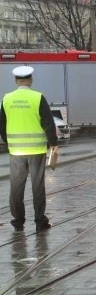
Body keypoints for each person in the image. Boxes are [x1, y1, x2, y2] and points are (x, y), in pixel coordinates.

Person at [0, 65, 58, 231]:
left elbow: (1, 124)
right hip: (37, 150)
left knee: (16, 187)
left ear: (16, 81)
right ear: (30, 80)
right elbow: (48, 122)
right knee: (37, 186)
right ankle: (40, 221)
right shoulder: (38, 97)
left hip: (16, 151)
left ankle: (18, 222)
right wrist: (53, 144)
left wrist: (8, 142)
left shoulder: (6, 99)